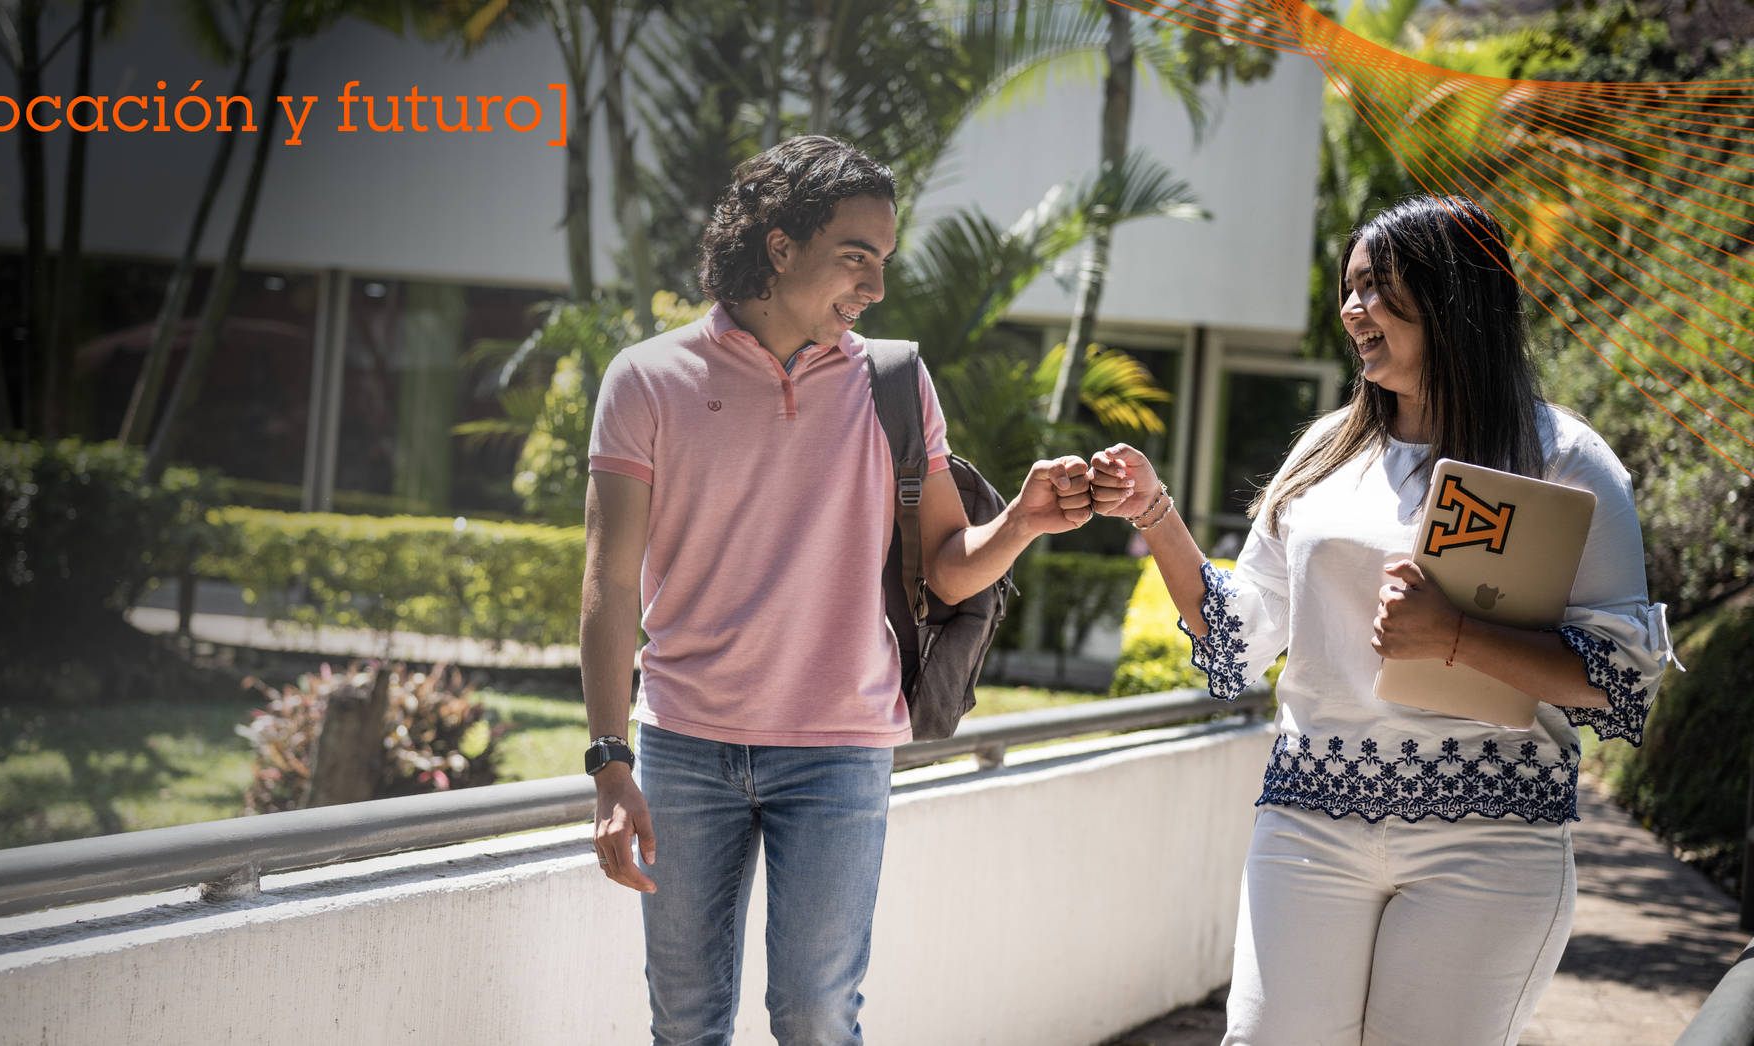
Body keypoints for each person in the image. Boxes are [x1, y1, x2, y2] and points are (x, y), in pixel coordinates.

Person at [1086, 195, 1675, 1046]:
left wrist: (1456, 637)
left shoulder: (1564, 459)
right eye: (1351, 287)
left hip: (1490, 843)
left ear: (1453, 298)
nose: (1353, 310)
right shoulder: (1325, 450)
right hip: (1307, 827)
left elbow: (1618, 684)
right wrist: (1156, 514)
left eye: (1378, 288)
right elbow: (1235, 637)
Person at [579, 135, 1093, 1046]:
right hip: (685, 743)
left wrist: (1019, 523)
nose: (876, 287)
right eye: (857, 256)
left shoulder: (893, 380)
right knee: (685, 1020)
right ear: (780, 245)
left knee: (818, 1017)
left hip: (838, 747)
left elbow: (944, 564)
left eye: (884, 261)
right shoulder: (647, 379)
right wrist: (609, 761)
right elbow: (609, 585)